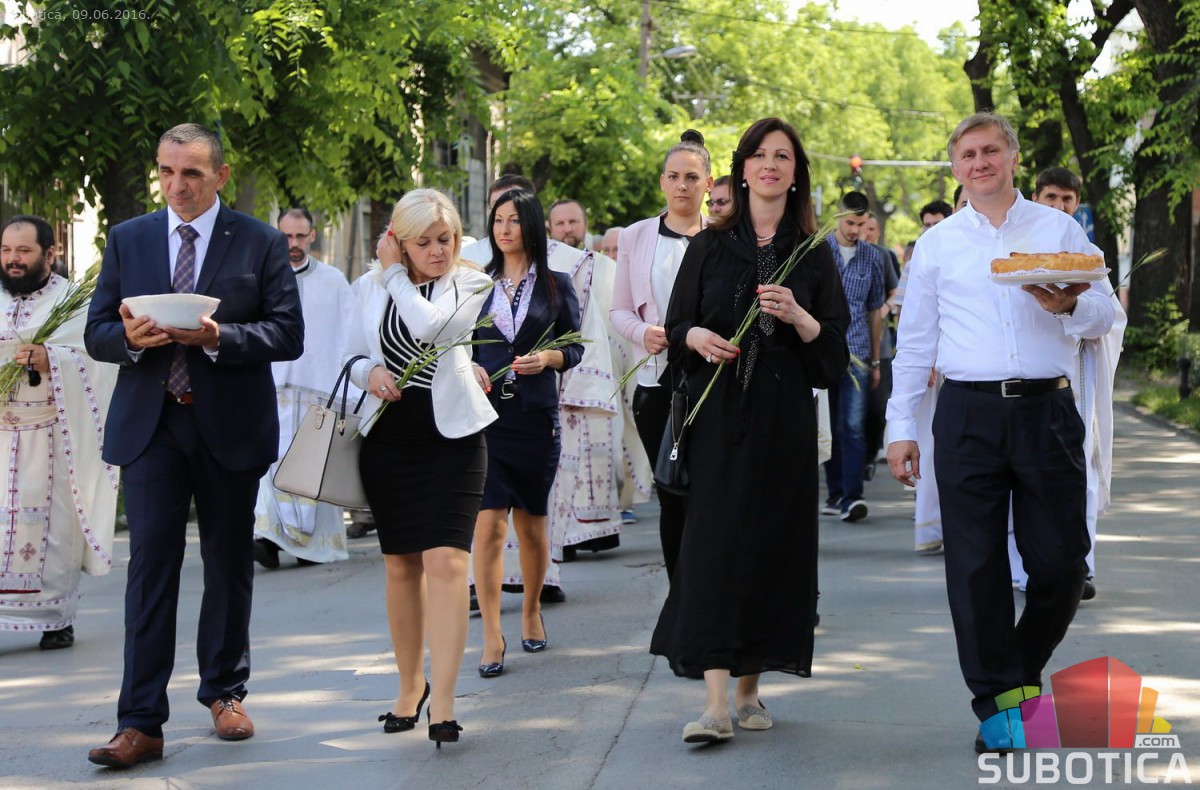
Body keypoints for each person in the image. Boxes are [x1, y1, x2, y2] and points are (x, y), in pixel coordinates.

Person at [886, 112, 1116, 754]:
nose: (980, 162)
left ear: (1013, 158)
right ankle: (997, 706)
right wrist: (901, 426)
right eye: (968, 155)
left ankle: (1019, 669)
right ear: (955, 167)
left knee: (1063, 565)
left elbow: (1106, 313)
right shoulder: (937, 244)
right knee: (976, 569)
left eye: (991, 150)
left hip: (1048, 412)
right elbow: (915, 344)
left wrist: (1071, 304)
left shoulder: (1059, 230)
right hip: (967, 415)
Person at [84, 123, 304, 768]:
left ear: (220, 176)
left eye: (191, 173)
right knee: (150, 569)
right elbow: (97, 330)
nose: (176, 185)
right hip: (151, 427)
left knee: (229, 563)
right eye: (166, 171)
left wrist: (217, 337)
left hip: (229, 426)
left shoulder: (260, 241)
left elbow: (287, 333)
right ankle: (139, 723)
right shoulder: (128, 238)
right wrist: (128, 340)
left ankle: (225, 694)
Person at [650, 117, 849, 743]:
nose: (769, 165)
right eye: (759, 155)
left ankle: (748, 690)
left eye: (782, 156)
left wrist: (799, 317)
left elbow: (834, 356)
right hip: (716, 418)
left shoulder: (813, 252)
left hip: (783, 422)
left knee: (770, 547)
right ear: (741, 171)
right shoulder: (709, 245)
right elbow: (675, 327)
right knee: (712, 547)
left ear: (796, 174)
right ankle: (714, 705)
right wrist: (696, 337)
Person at [347, 189, 496, 746]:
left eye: (446, 239)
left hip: (454, 440)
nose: (438, 251)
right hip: (388, 440)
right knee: (401, 567)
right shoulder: (366, 287)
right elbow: (348, 354)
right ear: (399, 241)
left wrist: (394, 276)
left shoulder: (470, 282)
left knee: (448, 563)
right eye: (424, 242)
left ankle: (446, 701)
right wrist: (368, 373)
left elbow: (434, 329)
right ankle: (410, 685)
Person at [471, 189, 583, 677]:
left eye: (514, 220)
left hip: (536, 419)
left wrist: (551, 357)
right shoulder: (475, 284)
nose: (504, 229)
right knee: (488, 526)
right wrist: (469, 366)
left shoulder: (557, 285)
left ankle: (532, 609)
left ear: (531, 225)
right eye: (498, 220)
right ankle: (491, 634)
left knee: (532, 526)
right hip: (486, 421)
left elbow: (575, 346)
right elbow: (457, 345)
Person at [0, 216, 118, 650]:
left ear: (50, 254)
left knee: (50, 529)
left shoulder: (73, 302)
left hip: (52, 436)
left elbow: (101, 361)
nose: (13, 260)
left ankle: (55, 619)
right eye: (6, 250)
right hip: (2, 434)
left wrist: (53, 359)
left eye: (23, 251)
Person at [1011, 166, 1126, 600]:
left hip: (1075, 379)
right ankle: (1023, 569)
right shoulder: (1015, 249)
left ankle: (1083, 567)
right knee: (1020, 476)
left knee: (1081, 471)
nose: (1059, 206)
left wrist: (1075, 313)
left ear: (1077, 205)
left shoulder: (1087, 252)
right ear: (1035, 198)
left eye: (1067, 200)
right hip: (1022, 382)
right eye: (1051, 197)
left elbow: (1112, 319)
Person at [610, 129, 713, 580]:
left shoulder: (724, 236)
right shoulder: (636, 236)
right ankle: (680, 594)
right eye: (673, 176)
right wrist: (643, 332)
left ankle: (712, 590)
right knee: (672, 492)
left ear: (708, 184)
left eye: (691, 177)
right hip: (656, 382)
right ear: (662, 182)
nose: (681, 186)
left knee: (711, 493)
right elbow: (618, 309)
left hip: (713, 381)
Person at [253, 208, 356, 568]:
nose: (293, 244)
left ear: (312, 235)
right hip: (273, 389)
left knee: (314, 470)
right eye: (286, 236)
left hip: (320, 392)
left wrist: (351, 391)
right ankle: (267, 539)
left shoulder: (334, 281)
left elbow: (349, 335)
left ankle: (310, 546)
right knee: (272, 464)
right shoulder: (263, 278)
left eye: (300, 236)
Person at [545, 199, 632, 560]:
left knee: (598, 454)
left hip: (601, 373)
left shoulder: (605, 268)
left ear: (585, 224)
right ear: (550, 228)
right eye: (560, 223)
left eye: (574, 221)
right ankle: (561, 537)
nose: (567, 229)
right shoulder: (545, 265)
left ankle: (594, 532)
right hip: (556, 377)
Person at [821, 191, 884, 522]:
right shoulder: (819, 251)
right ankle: (834, 493)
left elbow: (875, 311)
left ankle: (853, 496)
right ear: (838, 218)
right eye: (850, 223)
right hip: (823, 350)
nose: (856, 230)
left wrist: (875, 360)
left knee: (853, 427)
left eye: (861, 224)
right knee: (828, 427)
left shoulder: (872, 256)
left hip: (858, 353)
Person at [896, 201, 954, 555]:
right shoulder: (921, 255)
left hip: (966, 369)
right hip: (931, 369)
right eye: (926, 224)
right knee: (930, 445)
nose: (931, 229)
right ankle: (931, 526)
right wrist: (925, 360)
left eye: (937, 222)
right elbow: (909, 316)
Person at [860, 213, 899, 480]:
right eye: (863, 227)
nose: (867, 232)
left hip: (880, 344)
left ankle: (870, 454)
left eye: (872, 228)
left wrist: (882, 309)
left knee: (877, 407)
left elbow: (896, 293)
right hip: (850, 343)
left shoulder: (883, 256)